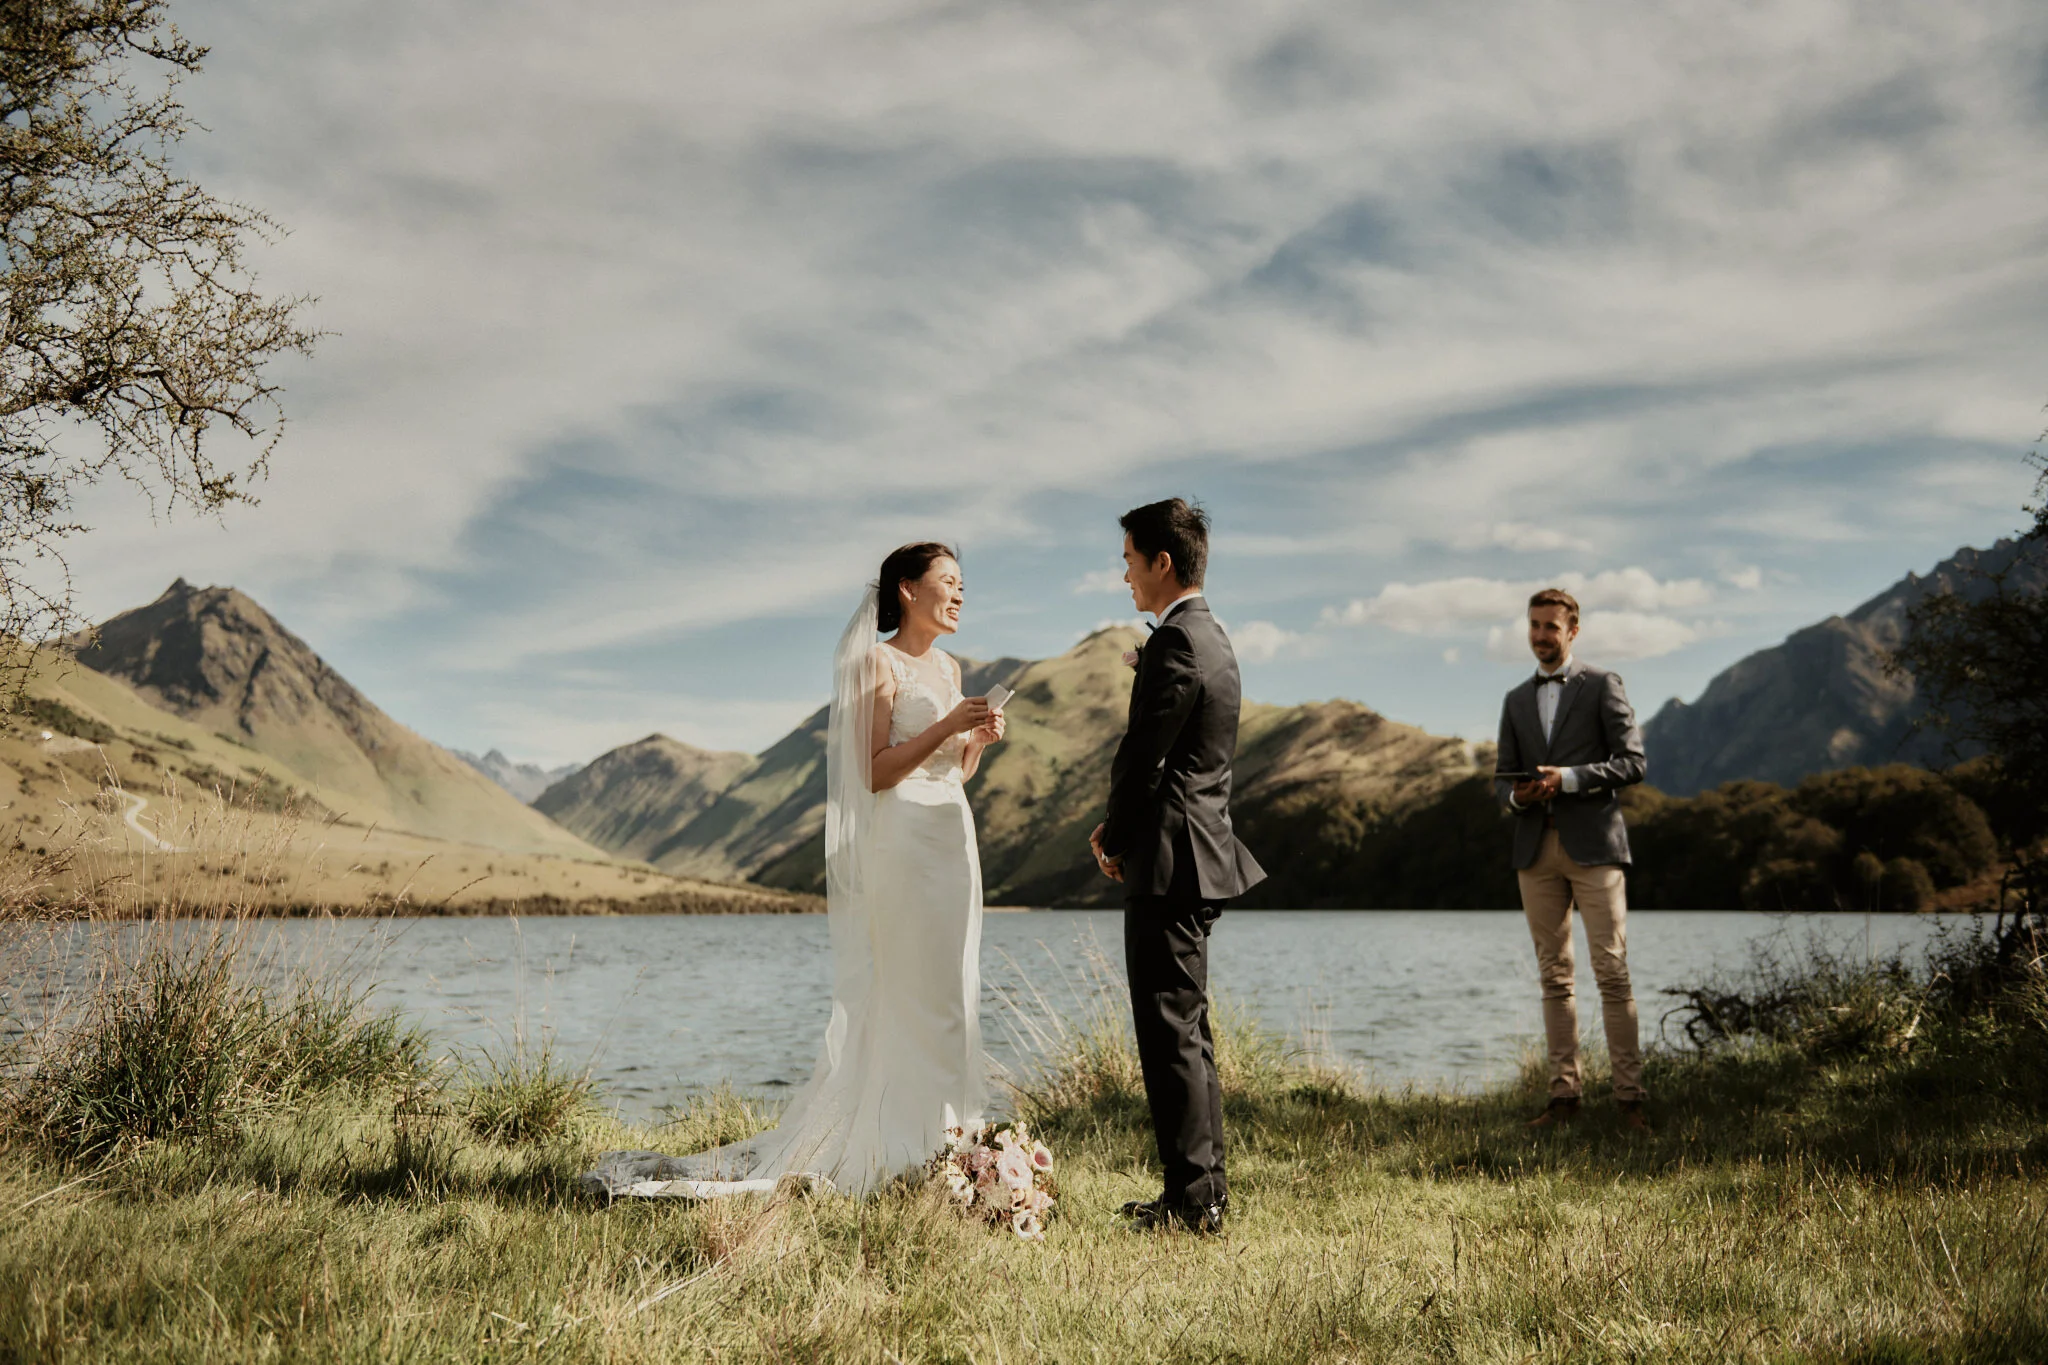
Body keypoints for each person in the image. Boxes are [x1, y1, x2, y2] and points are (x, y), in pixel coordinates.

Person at [581, 542, 1006, 1199]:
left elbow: (951, 768)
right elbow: (874, 771)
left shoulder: (950, 666)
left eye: (962, 584)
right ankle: (901, 1141)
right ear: (906, 590)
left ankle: (952, 1139)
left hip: (953, 839)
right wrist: (949, 721)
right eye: (947, 582)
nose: (959, 594)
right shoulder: (877, 662)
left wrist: (973, 741)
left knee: (954, 984)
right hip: (902, 846)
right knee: (912, 986)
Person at [1090, 498, 1265, 1233]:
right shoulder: (1211, 636)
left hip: (1170, 859)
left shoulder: (1178, 644)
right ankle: (1203, 1193)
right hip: (1196, 855)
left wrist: (1114, 832)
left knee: (1169, 1033)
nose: (1124, 574)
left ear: (1163, 561)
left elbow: (1144, 757)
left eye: (1129, 560)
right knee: (1187, 1030)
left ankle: (1193, 1204)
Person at [1494, 587, 1650, 1133]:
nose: (1540, 635)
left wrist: (1572, 778)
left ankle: (1630, 1102)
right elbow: (1503, 778)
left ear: (1573, 631)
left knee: (1612, 973)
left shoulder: (1604, 684)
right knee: (1554, 978)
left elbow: (1633, 763)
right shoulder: (1514, 700)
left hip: (1596, 849)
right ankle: (1564, 1100)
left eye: (1551, 627)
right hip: (1535, 851)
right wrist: (1520, 797)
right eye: (1534, 625)